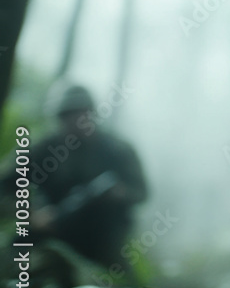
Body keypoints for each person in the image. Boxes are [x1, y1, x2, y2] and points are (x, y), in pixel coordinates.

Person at [5, 84, 148, 269]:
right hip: (52, 227)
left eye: (82, 113)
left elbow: (141, 192)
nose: (77, 120)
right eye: (68, 115)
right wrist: (31, 214)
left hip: (101, 238)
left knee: (116, 284)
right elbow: (5, 185)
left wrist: (120, 193)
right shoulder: (43, 148)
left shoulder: (117, 150)